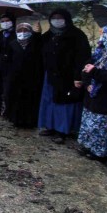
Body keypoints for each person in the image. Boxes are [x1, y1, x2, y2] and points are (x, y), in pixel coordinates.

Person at [38, 9, 91, 144]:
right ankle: (50, 126)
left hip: (68, 76)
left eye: (60, 17)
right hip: (50, 75)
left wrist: (79, 76)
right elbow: (37, 50)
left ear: (67, 19)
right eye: (54, 17)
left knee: (65, 103)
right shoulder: (48, 35)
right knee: (50, 101)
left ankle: (63, 130)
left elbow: (83, 57)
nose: (57, 20)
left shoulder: (77, 35)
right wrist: (37, 34)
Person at [77, 25, 107, 161]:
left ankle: (101, 153)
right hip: (93, 95)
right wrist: (87, 83)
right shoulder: (100, 51)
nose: (104, 38)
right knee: (91, 123)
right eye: (103, 34)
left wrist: (95, 72)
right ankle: (89, 146)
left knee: (103, 126)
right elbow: (87, 66)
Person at [4, 23, 43, 128]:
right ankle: (16, 120)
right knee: (15, 99)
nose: (22, 33)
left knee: (30, 99)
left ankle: (30, 121)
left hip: (32, 76)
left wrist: (38, 33)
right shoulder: (12, 44)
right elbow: (8, 60)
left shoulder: (36, 43)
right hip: (15, 77)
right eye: (20, 30)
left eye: (25, 30)